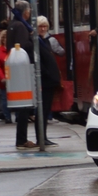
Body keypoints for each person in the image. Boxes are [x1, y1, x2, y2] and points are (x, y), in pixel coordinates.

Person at [6, 0, 38, 150]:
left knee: (22, 108)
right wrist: (33, 38)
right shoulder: (21, 26)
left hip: (15, 68)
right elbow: (25, 46)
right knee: (24, 107)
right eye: (29, 10)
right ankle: (21, 140)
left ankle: (22, 139)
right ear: (25, 12)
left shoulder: (12, 25)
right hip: (23, 69)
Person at [36, 16, 62, 146]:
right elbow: (39, 61)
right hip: (45, 81)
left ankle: (43, 136)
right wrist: (48, 74)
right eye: (40, 26)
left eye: (45, 26)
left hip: (49, 81)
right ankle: (41, 137)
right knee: (43, 110)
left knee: (46, 110)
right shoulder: (37, 42)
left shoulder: (45, 41)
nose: (43, 29)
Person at [0, 30, 12, 124]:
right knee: (4, 98)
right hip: (4, 79)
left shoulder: (14, 50)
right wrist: (2, 77)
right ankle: (7, 116)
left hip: (14, 78)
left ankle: (17, 116)